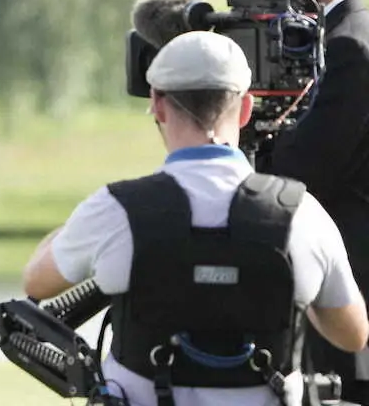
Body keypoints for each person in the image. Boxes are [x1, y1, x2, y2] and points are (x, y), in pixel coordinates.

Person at [23, 31, 368, 406]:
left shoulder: (116, 209)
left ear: (157, 105)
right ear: (247, 108)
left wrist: (92, 213)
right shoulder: (302, 213)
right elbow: (352, 336)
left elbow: (37, 282)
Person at [250, 0, 369, 402]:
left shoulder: (349, 47)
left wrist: (242, 134)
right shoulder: (339, 38)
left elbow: (306, 169)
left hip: (354, 277)